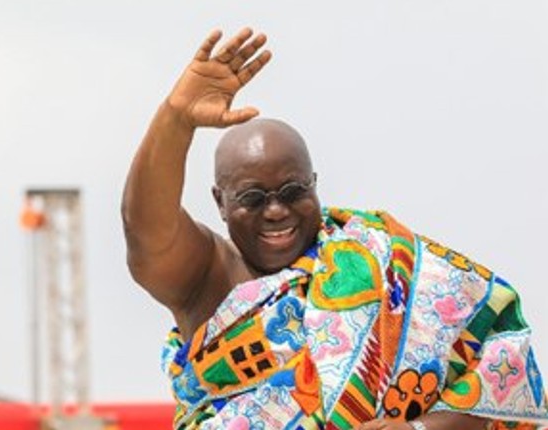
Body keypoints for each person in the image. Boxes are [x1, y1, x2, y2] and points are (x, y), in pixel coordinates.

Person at [121, 28, 548, 430]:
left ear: (315, 184)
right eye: (253, 198)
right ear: (220, 201)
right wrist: (176, 121)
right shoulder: (207, 277)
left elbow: (507, 378)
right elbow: (146, 232)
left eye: (292, 191)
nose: (275, 211)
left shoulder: (385, 260)